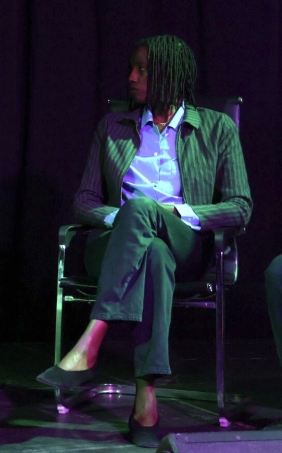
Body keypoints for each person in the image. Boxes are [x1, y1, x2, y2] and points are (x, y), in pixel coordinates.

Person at [36, 35, 252, 447]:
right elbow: (84, 201)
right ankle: (145, 395)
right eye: (131, 69)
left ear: (170, 75)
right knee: (149, 246)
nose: (131, 78)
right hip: (114, 246)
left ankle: (93, 337)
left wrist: (177, 214)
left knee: (146, 215)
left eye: (143, 70)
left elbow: (241, 207)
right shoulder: (112, 127)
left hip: (186, 243)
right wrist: (126, 219)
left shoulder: (217, 128)